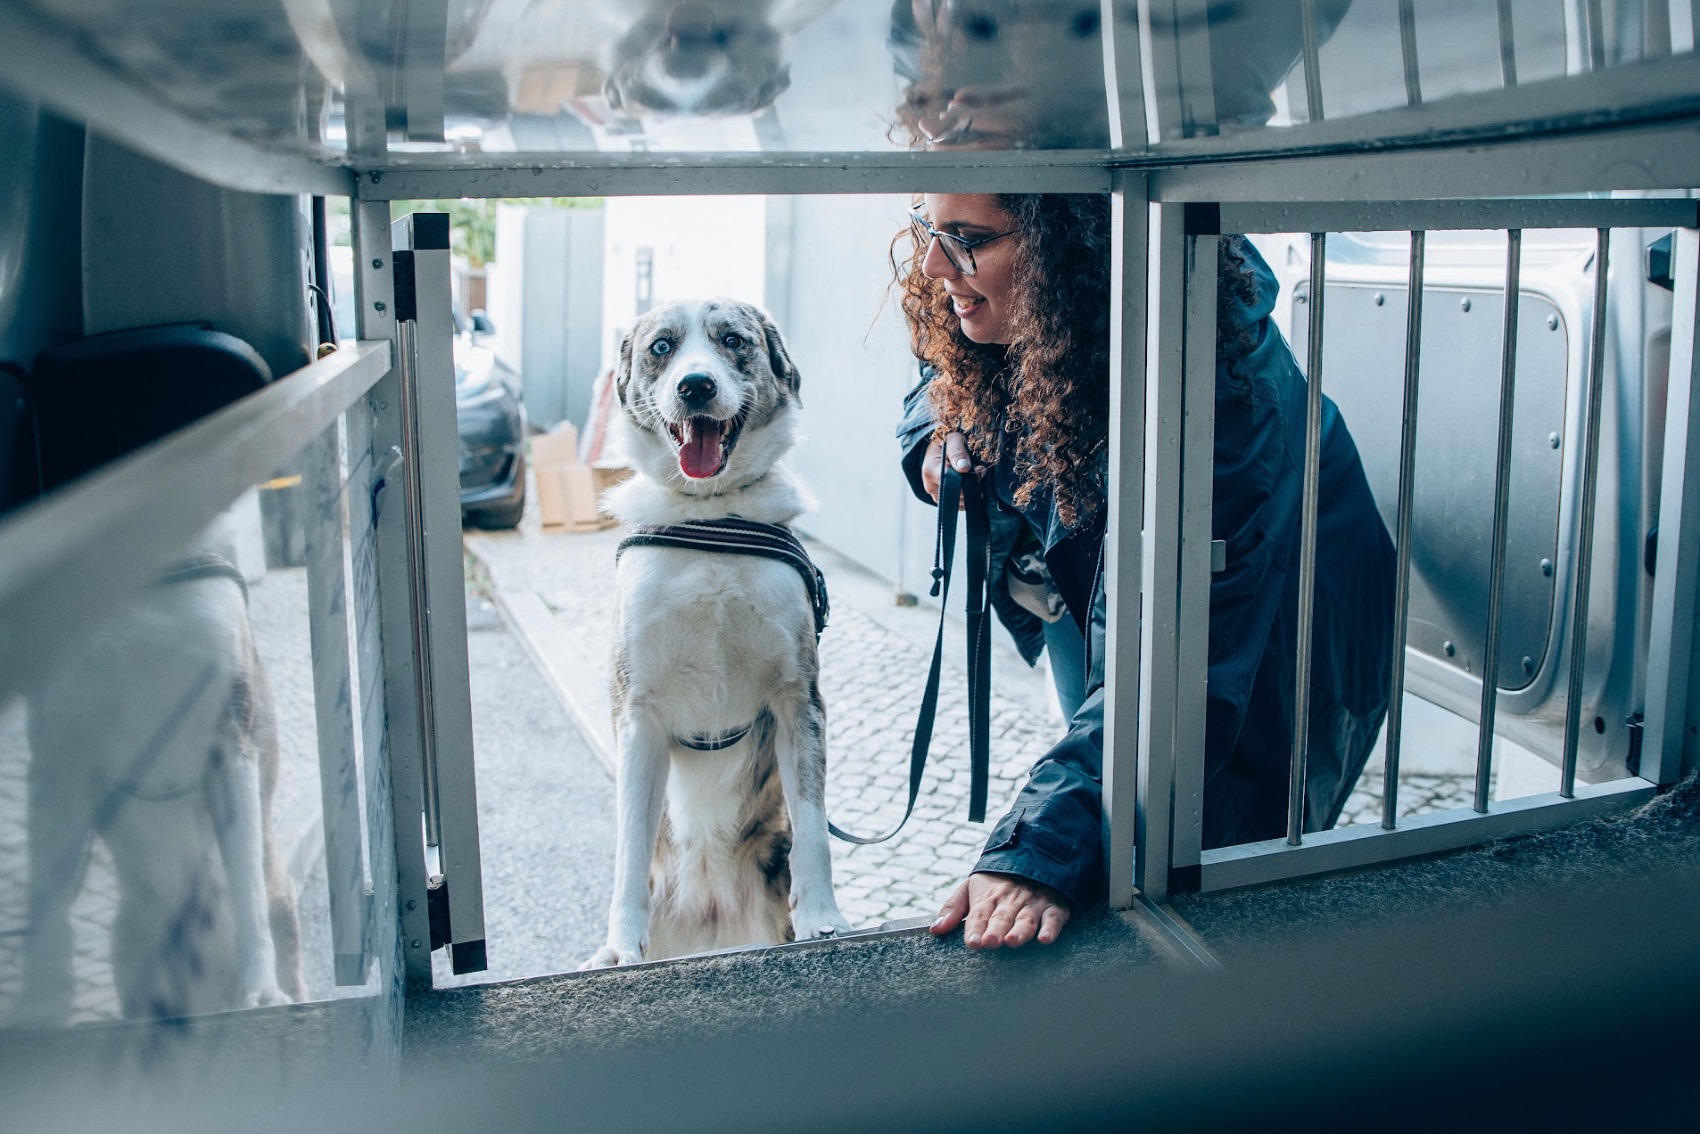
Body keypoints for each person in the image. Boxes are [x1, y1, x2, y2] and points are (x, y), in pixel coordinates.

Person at [895, 193, 1397, 949]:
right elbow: (941, 363)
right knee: (1115, 800)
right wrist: (931, 427)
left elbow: (1170, 661)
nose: (934, 265)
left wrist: (1036, 849)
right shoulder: (1055, 297)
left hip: (1289, 639)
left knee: (1224, 882)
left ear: (1077, 249)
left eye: (966, 240)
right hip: (1096, 590)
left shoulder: (1215, 394)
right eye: (931, 231)